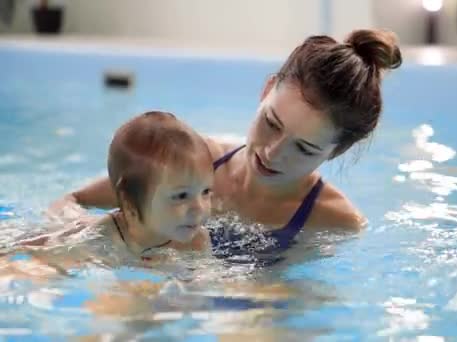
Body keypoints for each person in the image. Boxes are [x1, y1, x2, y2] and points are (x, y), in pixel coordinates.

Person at [53, 28, 403, 258]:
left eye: (304, 149)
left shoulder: (334, 220)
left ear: (337, 151)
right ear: (266, 90)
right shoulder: (193, 161)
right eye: (270, 123)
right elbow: (71, 201)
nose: (272, 151)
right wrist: (89, 235)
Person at [25, 111, 213, 262]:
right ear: (129, 203)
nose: (199, 208)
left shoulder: (197, 241)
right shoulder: (99, 238)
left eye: (205, 192)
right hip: (69, 223)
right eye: (181, 196)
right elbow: (34, 256)